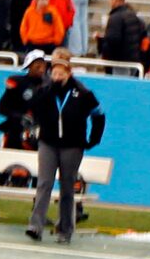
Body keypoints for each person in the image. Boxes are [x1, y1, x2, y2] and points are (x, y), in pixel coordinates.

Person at [22, 46, 102, 243]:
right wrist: (31, 127)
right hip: (48, 142)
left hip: (72, 145)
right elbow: (32, 111)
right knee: (44, 183)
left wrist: (93, 139)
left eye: (60, 73)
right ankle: (35, 225)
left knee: (67, 186)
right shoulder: (45, 91)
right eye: (54, 73)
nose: (56, 77)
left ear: (68, 73)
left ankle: (65, 229)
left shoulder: (82, 93)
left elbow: (99, 115)